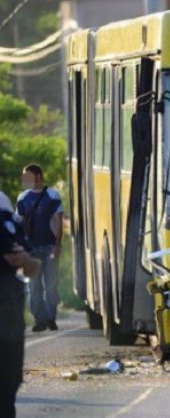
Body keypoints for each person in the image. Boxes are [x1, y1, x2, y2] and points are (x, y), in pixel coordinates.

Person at [16, 164, 64, 332]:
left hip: (50, 247)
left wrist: (57, 245)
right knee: (34, 287)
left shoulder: (52, 195)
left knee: (51, 286)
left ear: (38, 177)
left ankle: (51, 318)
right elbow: (19, 223)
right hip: (31, 250)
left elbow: (59, 221)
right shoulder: (22, 198)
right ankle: (39, 320)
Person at [0, 190, 34, 418]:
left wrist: (24, 259)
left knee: (9, 382)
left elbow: (32, 266)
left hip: (8, 309)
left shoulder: (3, 205)